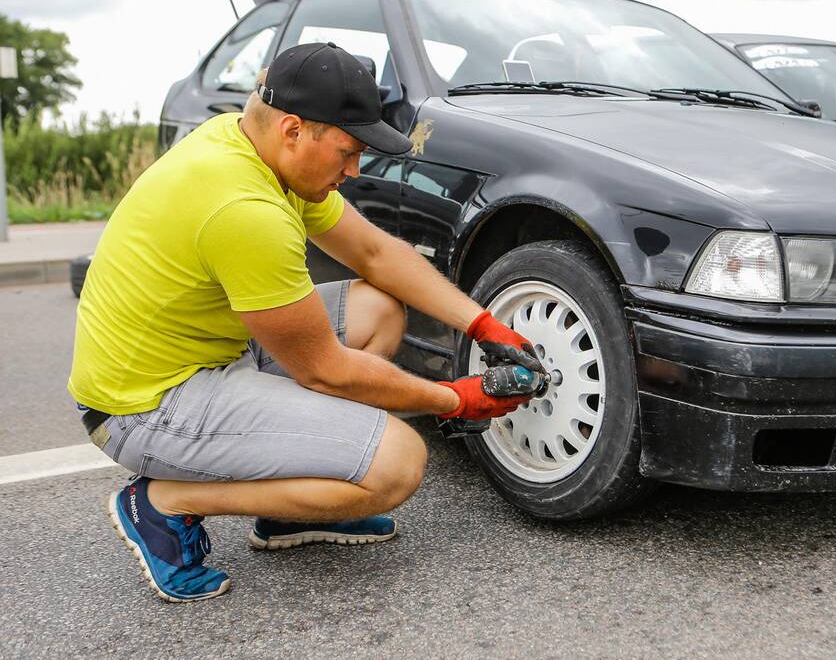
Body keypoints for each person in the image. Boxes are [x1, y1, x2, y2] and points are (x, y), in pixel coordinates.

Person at [68, 42, 544, 603]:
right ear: (293, 129)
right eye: (348, 150)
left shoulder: (252, 145)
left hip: (214, 354)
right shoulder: (243, 209)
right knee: (397, 464)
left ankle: (288, 515)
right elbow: (325, 371)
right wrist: (456, 399)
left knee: (378, 308)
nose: (354, 169)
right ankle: (162, 503)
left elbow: (375, 254)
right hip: (145, 406)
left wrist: (483, 324)